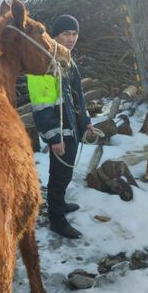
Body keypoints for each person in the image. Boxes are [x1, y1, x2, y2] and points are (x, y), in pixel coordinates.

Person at [27, 15, 95, 239]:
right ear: (54, 36)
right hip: (60, 132)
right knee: (59, 174)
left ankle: (60, 204)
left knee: (64, 173)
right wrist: (54, 137)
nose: (71, 38)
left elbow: (78, 96)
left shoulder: (68, 60)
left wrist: (85, 121)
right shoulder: (41, 63)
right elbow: (42, 105)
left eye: (75, 34)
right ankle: (56, 219)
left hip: (73, 128)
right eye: (66, 34)